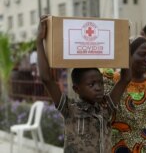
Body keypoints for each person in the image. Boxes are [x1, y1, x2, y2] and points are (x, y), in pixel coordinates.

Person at [36, 16, 131, 153]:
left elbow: (125, 78)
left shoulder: (105, 107)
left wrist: (124, 40)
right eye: (91, 84)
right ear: (77, 89)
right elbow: (46, 78)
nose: (98, 88)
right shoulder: (70, 109)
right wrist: (39, 40)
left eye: (100, 83)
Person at [103, 37, 146, 153]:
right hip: (119, 147)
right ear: (128, 56)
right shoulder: (112, 79)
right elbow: (104, 111)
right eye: (142, 54)